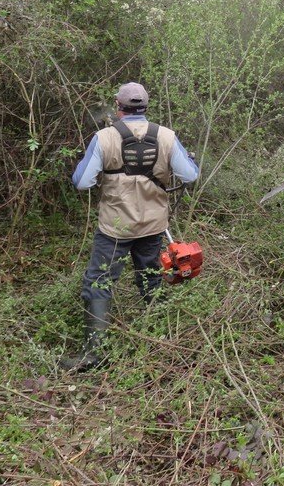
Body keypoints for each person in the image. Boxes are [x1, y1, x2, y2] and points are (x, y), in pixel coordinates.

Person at [60, 82, 200, 372]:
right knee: (149, 277)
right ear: (146, 106)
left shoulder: (104, 137)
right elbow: (190, 175)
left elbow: (82, 182)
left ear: (118, 106)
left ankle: (94, 355)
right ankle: (163, 340)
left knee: (98, 283)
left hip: (115, 227)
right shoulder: (167, 136)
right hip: (152, 225)